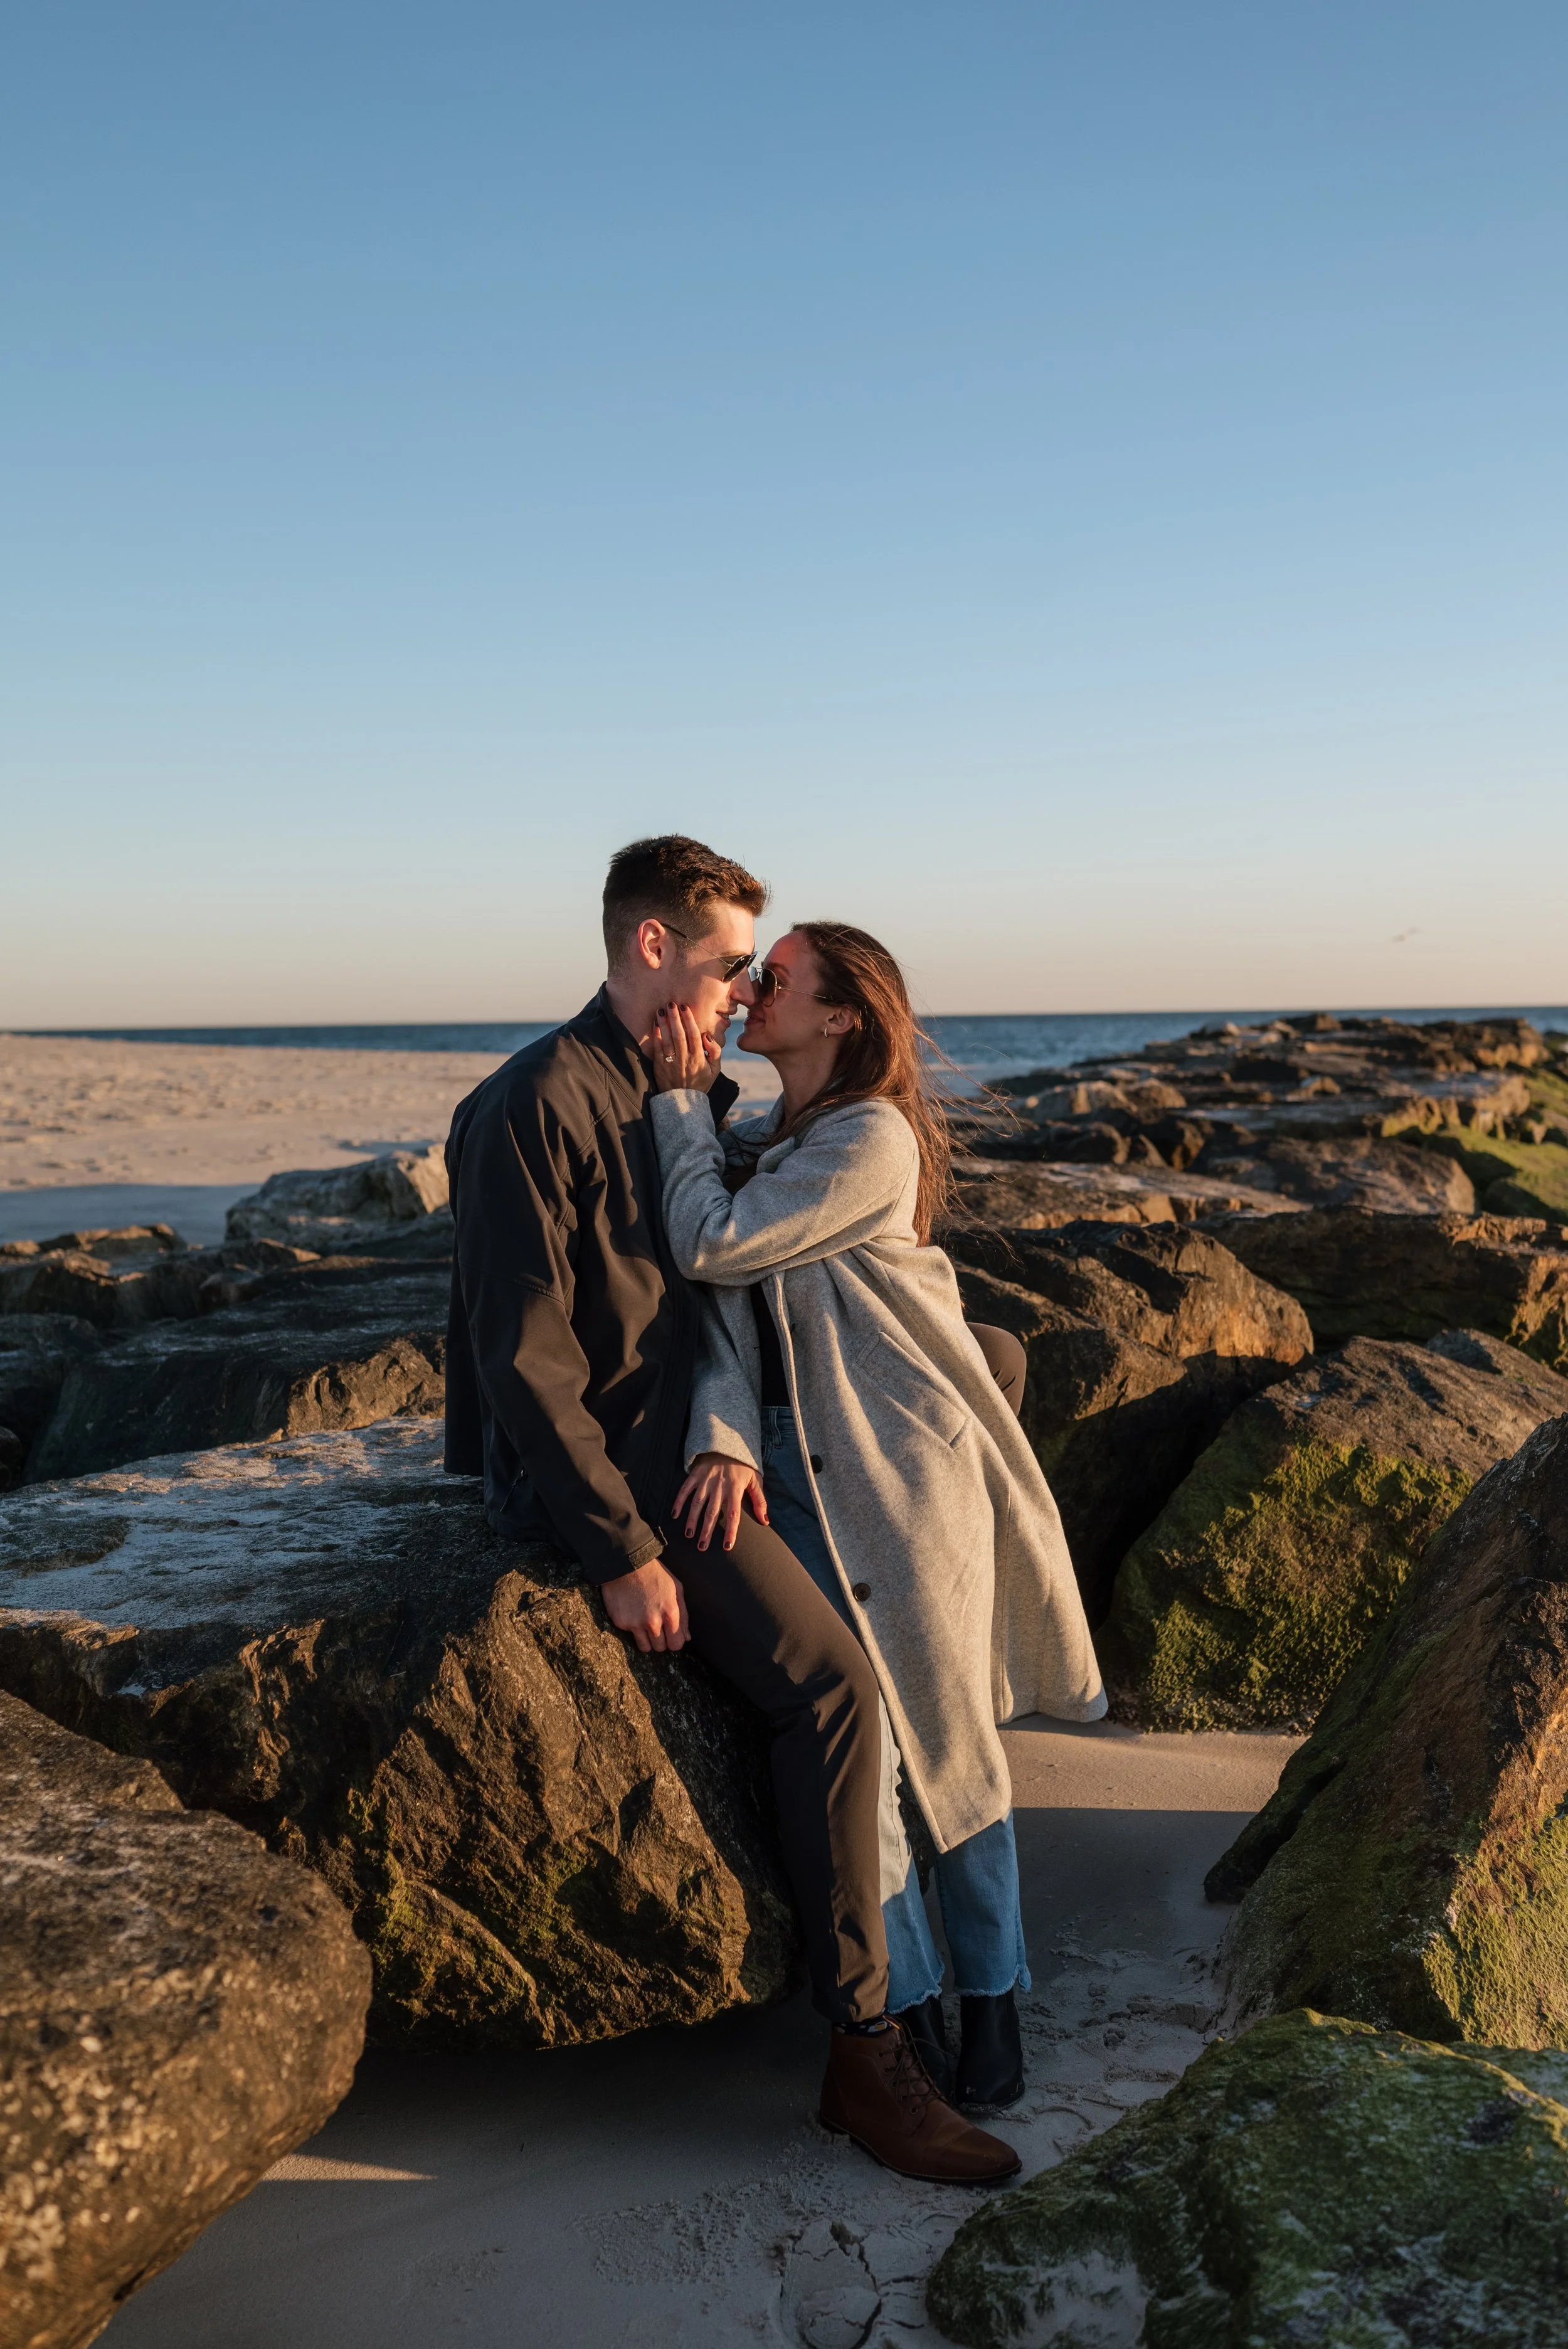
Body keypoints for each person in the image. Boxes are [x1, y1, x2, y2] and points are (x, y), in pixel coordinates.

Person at [445, 837, 1022, 2184]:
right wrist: (620, 1550)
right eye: (724, 968)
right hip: (611, 1484)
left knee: (882, 1689)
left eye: (757, 976)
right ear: (653, 949)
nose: (736, 991)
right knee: (831, 1687)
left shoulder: (676, 1091)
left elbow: (725, 1299)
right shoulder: (535, 1100)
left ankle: (920, 2015)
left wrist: (723, 1435)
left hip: (684, 1457)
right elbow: (518, 1358)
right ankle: (867, 2053)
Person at [648, 920, 1107, 2111]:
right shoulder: (767, 1137)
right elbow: (730, 1330)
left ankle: (994, 2001)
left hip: (904, 1472)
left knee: (949, 1742)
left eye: (778, 978)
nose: (752, 989)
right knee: (877, 1759)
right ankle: (902, 2008)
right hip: (794, 1477)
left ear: (842, 1016)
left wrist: (681, 1104)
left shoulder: (874, 1140)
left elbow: (713, 1246)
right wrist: (724, 1436)